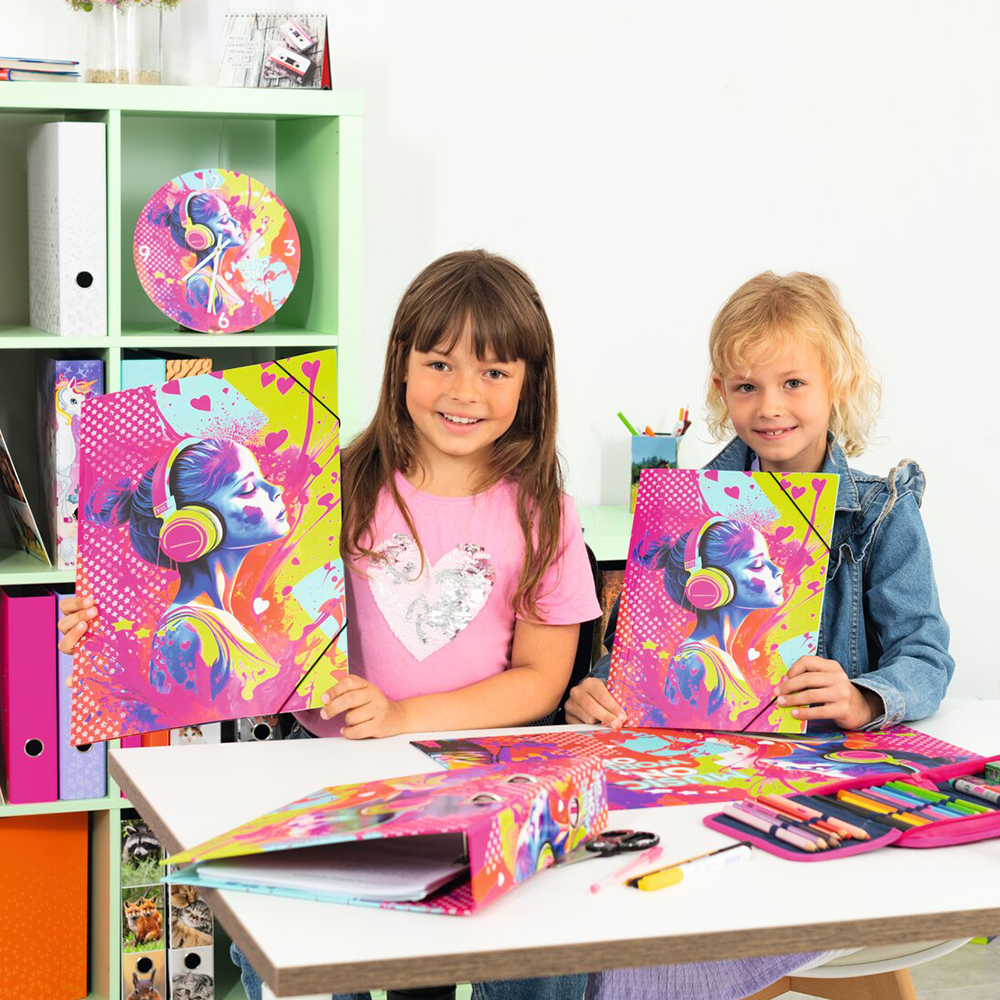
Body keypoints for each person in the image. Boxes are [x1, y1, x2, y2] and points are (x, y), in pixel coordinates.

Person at [59, 249, 600, 1000]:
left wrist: (403, 716)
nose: (464, 392)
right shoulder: (327, 484)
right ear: (400, 363)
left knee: (478, 959)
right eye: (439, 363)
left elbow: (541, 679)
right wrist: (109, 623)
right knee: (312, 961)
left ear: (531, 383)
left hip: (473, 780)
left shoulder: (545, 513)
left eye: (495, 371)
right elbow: (225, 599)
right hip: (324, 771)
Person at [567, 270, 954, 1000]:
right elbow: (631, 664)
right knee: (628, 905)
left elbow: (926, 656)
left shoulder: (879, 511)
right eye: (746, 387)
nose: (770, 407)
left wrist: (866, 696)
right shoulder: (682, 509)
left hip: (826, 781)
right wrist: (598, 691)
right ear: (721, 392)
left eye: (793, 383)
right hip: (704, 777)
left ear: (839, 383)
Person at [84, 437, 291, 714]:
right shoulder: (186, 634)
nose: (275, 490)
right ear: (193, 524)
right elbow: (191, 729)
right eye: (248, 489)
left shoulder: (216, 620)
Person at [636, 518, 783, 725]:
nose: (777, 570)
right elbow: (684, 738)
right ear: (710, 582)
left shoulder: (718, 657)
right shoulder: (695, 662)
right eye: (757, 564)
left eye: (770, 559)